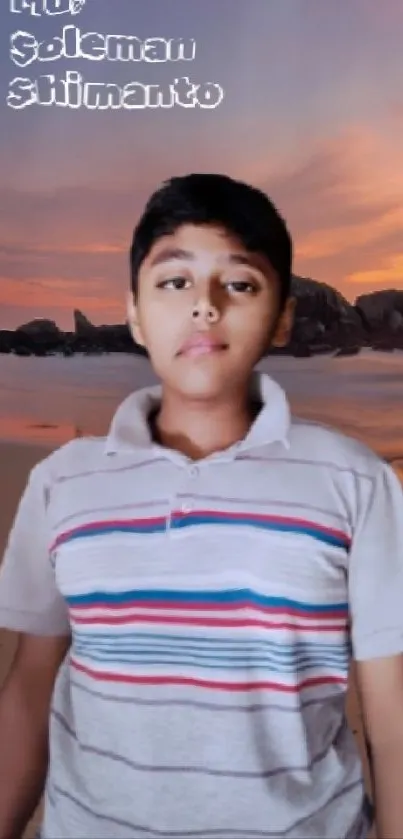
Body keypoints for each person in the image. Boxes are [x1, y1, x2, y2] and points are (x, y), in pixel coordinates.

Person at [0, 173, 403, 839]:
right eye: (173, 281)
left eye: (238, 283)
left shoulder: (353, 481)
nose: (204, 307)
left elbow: (392, 716)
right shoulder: (62, 482)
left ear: (281, 318)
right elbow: (27, 689)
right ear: (133, 312)